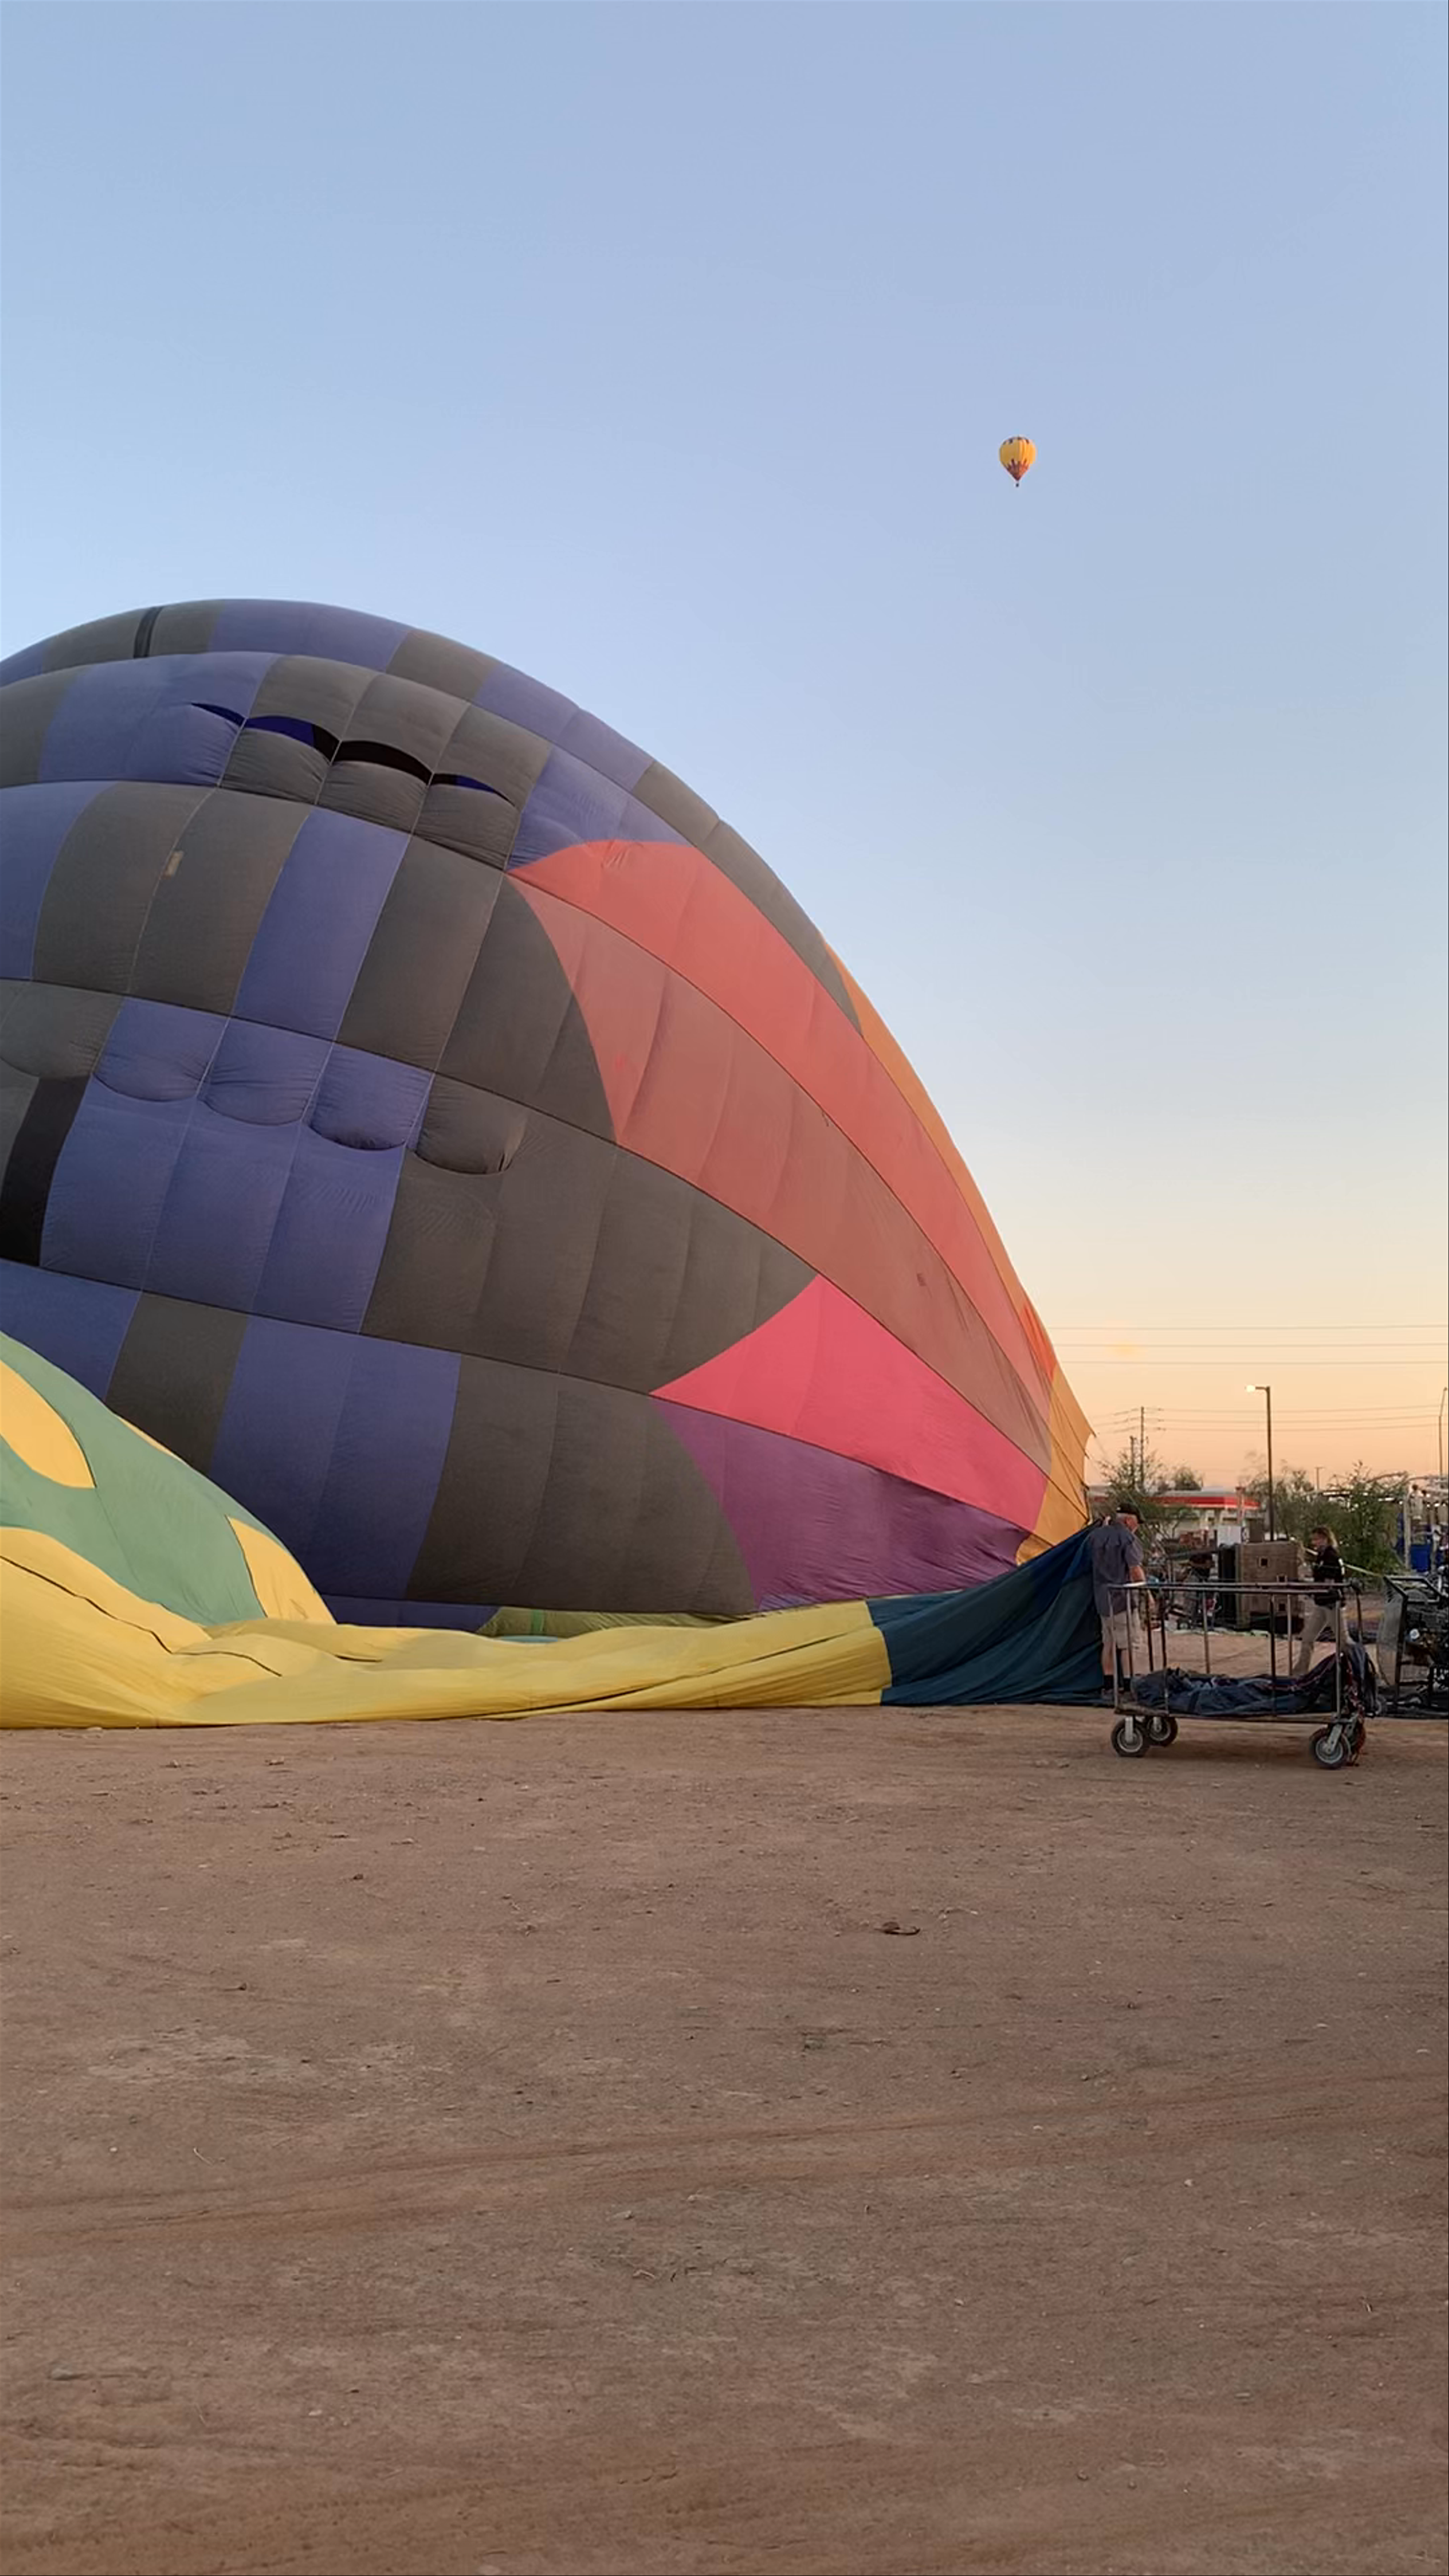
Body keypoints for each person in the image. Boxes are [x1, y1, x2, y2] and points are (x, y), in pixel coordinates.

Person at [1089, 1507, 1147, 1701]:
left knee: (1110, 1644)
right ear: (1130, 1521)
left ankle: (1108, 1687)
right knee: (1129, 1646)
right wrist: (1149, 1594)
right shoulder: (1127, 1539)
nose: (1137, 1528)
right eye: (1137, 1523)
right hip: (1123, 1599)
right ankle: (1130, 1688)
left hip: (1102, 1599)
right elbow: (1135, 1570)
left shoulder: (1095, 1537)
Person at [1295, 1524, 1346, 1677]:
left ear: (1325, 1539)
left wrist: (1310, 1587)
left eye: (1317, 1540)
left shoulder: (1331, 1556)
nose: (1314, 1543)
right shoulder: (1321, 1556)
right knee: (1308, 1638)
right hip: (1321, 1604)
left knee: (1344, 1642)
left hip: (1332, 1604)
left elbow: (1328, 1583)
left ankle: (1357, 1666)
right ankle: (1299, 1673)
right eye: (1314, 1540)